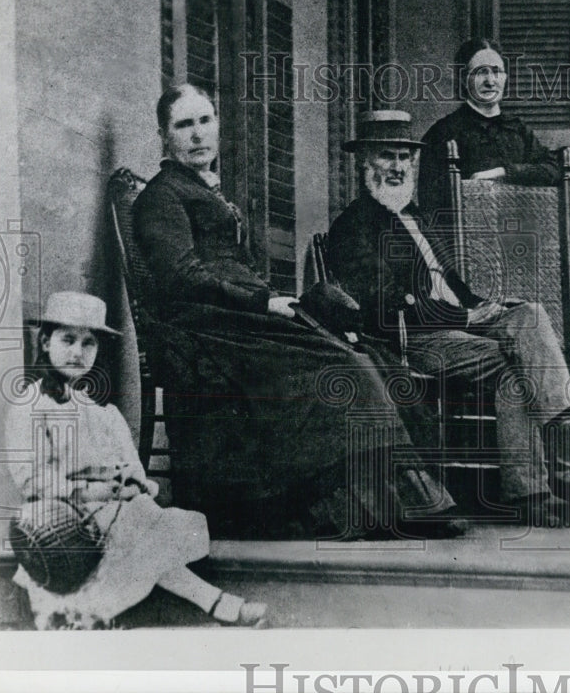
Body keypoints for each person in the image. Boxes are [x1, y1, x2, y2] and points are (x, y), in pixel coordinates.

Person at [132, 83, 465, 540]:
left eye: (205, 121)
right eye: (183, 125)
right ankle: (372, 507)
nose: (197, 135)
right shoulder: (162, 196)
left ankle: (402, 499)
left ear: (218, 125)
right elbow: (181, 276)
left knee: (366, 352)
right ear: (163, 137)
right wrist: (261, 301)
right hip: (206, 329)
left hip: (240, 318)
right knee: (337, 364)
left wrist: (276, 302)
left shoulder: (205, 190)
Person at [328, 111, 570, 526]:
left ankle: (559, 437)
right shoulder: (354, 226)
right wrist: (465, 313)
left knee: (527, 314)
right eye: (387, 156)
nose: (398, 166)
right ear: (364, 163)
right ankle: (537, 481)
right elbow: (385, 308)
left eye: (405, 157)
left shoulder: (418, 218)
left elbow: (454, 284)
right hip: (414, 341)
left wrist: (489, 304)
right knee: (516, 365)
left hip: (460, 326)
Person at [5, 291, 268, 629]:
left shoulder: (105, 414)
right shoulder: (30, 407)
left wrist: (132, 485)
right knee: (140, 523)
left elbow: (137, 475)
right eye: (67, 339)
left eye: (89, 343)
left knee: (153, 518)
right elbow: (32, 483)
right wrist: (97, 493)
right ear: (44, 342)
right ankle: (219, 605)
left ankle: (84, 615)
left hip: (118, 516)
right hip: (61, 526)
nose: (77, 352)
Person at [417, 37, 560, 218]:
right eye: (480, 72)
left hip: (521, 236)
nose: (490, 81)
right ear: (463, 78)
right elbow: (431, 209)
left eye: (496, 71)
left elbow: (553, 169)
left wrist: (504, 172)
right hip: (467, 241)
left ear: (505, 77)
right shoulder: (442, 133)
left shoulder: (518, 129)